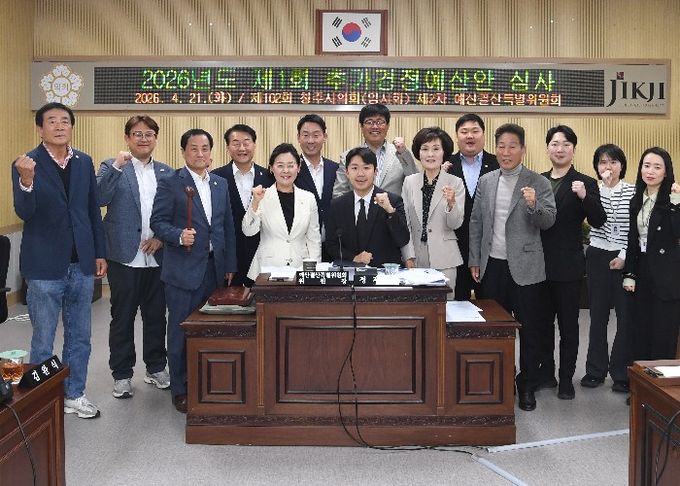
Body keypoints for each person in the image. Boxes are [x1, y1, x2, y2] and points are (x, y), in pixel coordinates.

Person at [12, 102, 106, 419]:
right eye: (51, 121)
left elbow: (92, 210)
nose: (59, 126)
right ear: (40, 129)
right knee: (43, 338)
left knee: (80, 336)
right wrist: (27, 181)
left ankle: (74, 394)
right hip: (44, 266)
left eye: (65, 120)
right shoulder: (26, 163)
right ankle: (41, 401)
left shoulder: (83, 162)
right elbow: (25, 212)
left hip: (81, 263)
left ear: (71, 127)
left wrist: (99, 252)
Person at [468, 123, 556, 412]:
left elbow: (548, 221)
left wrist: (533, 205)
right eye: (501, 146)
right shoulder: (487, 181)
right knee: (495, 329)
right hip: (492, 267)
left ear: (523, 150)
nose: (506, 152)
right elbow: (476, 223)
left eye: (512, 146)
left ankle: (527, 384)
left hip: (526, 268)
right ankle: (502, 379)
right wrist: (475, 259)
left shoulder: (538, 182)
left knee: (530, 330)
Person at [150, 128, 237, 413]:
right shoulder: (171, 182)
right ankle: (181, 389)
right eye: (194, 149)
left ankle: (207, 382)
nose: (200, 154)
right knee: (180, 331)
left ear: (212, 152)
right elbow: (157, 222)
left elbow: (226, 226)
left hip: (215, 269)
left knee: (210, 330)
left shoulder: (220, 184)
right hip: (182, 271)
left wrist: (229, 265)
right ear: (183, 152)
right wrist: (177, 235)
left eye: (205, 149)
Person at [96, 115, 172, 399]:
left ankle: (156, 367)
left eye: (149, 134)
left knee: (156, 317)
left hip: (157, 258)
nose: (143, 139)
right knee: (122, 317)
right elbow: (99, 198)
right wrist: (117, 166)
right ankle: (122, 374)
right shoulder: (111, 166)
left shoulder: (166, 172)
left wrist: (161, 238)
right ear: (127, 138)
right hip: (123, 257)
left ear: (156, 138)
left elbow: (173, 212)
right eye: (137, 134)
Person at [537, 126, 606, 400]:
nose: (560, 149)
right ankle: (546, 374)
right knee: (542, 325)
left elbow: (599, 220)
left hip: (568, 267)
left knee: (568, 326)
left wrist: (584, 197)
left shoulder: (585, 182)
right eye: (555, 143)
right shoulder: (538, 180)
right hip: (538, 267)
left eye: (566, 144)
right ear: (547, 148)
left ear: (573, 150)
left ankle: (566, 378)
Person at [582, 144, 635, 394]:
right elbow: (595, 220)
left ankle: (622, 372)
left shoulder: (633, 192)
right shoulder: (592, 192)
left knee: (625, 317)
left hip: (625, 256)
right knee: (598, 316)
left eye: (613, 162)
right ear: (597, 167)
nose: (608, 167)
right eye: (603, 162)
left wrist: (624, 255)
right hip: (598, 255)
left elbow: (636, 230)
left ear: (622, 165)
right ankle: (595, 371)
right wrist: (599, 192)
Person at [623, 147, 680, 362]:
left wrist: (677, 203)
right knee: (641, 329)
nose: (650, 171)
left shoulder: (673, 199)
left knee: (664, 332)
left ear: (666, 172)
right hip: (643, 268)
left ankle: (660, 382)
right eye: (646, 166)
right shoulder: (636, 199)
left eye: (657, 167)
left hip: (668, 274)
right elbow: (632, 240)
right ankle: (641, 380)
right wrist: (630, 273)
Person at [401, 127, 465, 298]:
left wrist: (451, 203)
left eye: (436, 149)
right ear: (418, 152)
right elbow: (405, 223)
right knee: (417, 307)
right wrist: (408, 255)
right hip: (416, 257)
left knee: (444, 307)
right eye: (425, 149)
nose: (430, 154)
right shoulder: (409, 182)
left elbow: (455, 224)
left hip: (445, 257)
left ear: (444, 153)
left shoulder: (455, 183)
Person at [243, 144, 321, 280]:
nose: (286, 170)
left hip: (299, 268)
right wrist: (255, 202)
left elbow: (314, 239)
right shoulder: (261, 195)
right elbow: (248, 231)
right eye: (280, 166)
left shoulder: (308, 198)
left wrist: (314, 273)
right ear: (271, 168)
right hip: (267, 270)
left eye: (291, 165)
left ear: (298, 168)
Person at [443, 114, 499, 301]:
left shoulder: (498, 164)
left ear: (484, 135)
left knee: (491, 305)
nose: (470, 136)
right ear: (457, 136)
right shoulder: (445, 165)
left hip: (489, 247)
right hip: (455, 247)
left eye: (475, 131)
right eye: (464, 132)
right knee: (456, 304)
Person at [325, 147, 410, 267]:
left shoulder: (392, 201)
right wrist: (354, 258)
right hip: (351, 273)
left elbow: (403, 240)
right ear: (347, 173)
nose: (360, 174)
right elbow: (331, 244)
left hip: (384, 274)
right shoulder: (337, 205)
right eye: (354, 168)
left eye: (366, 168)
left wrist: (390, 211)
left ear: (375, 172)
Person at [212, 124, 273, 286]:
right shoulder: (216, 178)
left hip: (262, 258)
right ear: (227, 147)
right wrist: (227, 262)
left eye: (246, 142)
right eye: (236, 143)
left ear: (254, 145)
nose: (242, 148)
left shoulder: (269, 177)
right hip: (229, 259)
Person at [332, 103, 418, 198]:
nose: (375, 127)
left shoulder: (401, 153)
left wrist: (403, 153)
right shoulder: (347, 156)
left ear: (388, 125)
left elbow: (415, 183)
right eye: (369, 122)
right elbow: (339, 193)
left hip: (392, 207)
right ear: (361, 127)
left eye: (380, 122)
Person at [294, 114, 339, 260]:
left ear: (324, 137)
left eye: (316, 135)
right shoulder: (291, 171)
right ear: (298, 137)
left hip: (334, 247)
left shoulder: (336, 169)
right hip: (302, 247)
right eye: (305, 135)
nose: (310, 140)